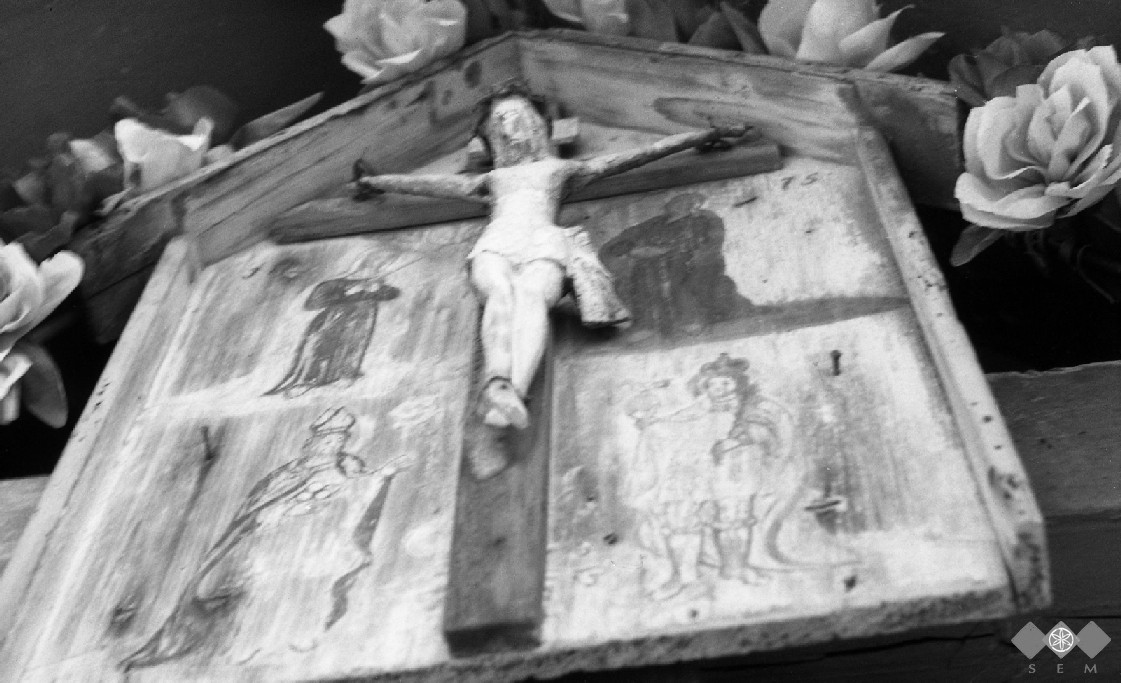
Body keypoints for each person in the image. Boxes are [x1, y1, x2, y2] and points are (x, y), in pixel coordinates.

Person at [354, 82, 748, 430]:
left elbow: (635, 156)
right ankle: (497, 381)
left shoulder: (558, 169)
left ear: (536, 123)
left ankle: (515, 390)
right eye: (501, 119)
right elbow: (431, 185)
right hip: (498, 239)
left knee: (531, 298)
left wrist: (701, 136)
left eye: (518, 115)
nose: (510, 125)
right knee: (500, 294)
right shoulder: (494, 178)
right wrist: (374, 181)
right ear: (492, 133)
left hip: (545, 240)